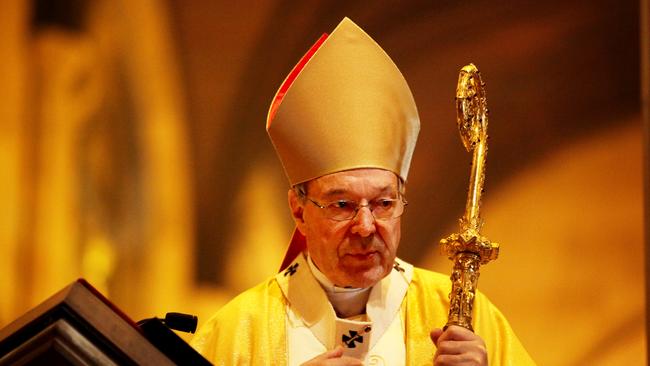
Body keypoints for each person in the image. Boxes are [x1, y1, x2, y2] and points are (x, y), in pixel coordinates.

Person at [191, 17, 535, 365]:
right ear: (298, 210)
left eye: (384, 203)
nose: (367, 227)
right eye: (342, 204)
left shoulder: (462, 316)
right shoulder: (239, 331)